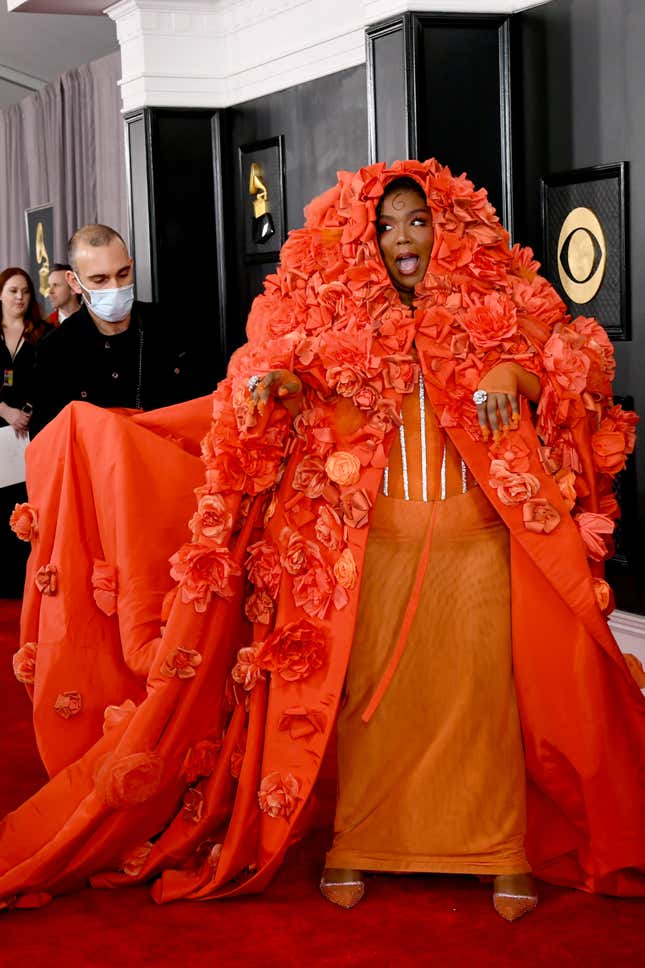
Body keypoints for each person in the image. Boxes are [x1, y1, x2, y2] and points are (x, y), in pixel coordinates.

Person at [0, 160, 642, 918]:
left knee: (484, 703)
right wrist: (276, 389)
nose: (402, 238)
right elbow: (286, 375)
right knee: (369, 704)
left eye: (417, 220)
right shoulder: (337, 315)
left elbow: (577, 366)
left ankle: (496, 849)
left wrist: (513, 375)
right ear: (362, 239)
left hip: (479, 549)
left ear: (448, 228)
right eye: (386, 225)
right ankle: (363, 842)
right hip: (371, 548)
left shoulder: (497, 304)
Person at [30, 224, 206, 436]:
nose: (114, 287)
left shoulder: (171, 326)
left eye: (123, 274)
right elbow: (47, 442)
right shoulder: (55, 351)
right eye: (100, 279)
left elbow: (204, 408)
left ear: (131, 266)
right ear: (74, 282)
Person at [0, 268, 53, 598]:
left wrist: (28, 411)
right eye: (13, 291)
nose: (20, 297)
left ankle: (28, 579)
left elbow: (51, 380)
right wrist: (4, 411)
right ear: (1, 295)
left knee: (28, 502)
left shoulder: (43, 334)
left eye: (25, 292)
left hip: (32, 431)